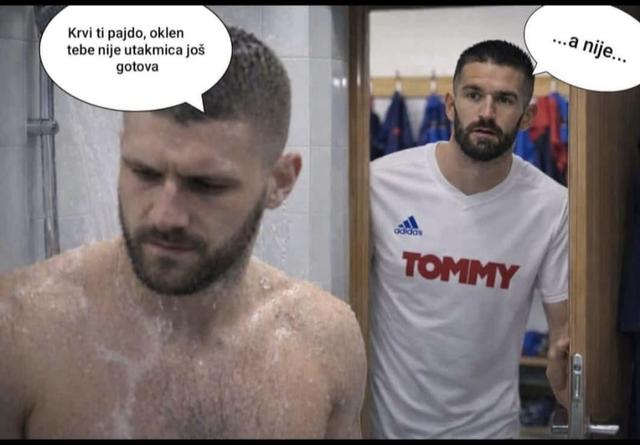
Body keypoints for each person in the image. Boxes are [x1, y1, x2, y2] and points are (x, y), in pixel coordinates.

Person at [0, 26, 366, 439]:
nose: (165, 216)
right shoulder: (20, 329)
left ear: (280, 181)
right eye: (144, 172)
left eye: (206, 185)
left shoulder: (323, 341)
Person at [368, 40, 569, 439]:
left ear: (527, 117)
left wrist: (568, 383)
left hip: (491, 430)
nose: (487, 113)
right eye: (474, 95)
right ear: (450, 104)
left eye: (505, 100)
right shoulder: (380, 182)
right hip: (387, 429)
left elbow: (565, 337)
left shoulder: (551, 205)